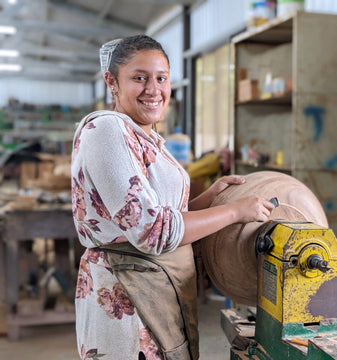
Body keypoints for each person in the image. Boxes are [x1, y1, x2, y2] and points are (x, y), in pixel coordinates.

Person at [71, 34, 275, 360]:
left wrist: (208, 199)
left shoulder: (146, 136)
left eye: (161, 78)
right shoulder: (107, 131)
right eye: (140, 78)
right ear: (112, 81)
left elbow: (152, 217)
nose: (154, 89)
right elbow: (152, 232)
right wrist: (236, 212)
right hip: (128, 297)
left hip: (155, 288)